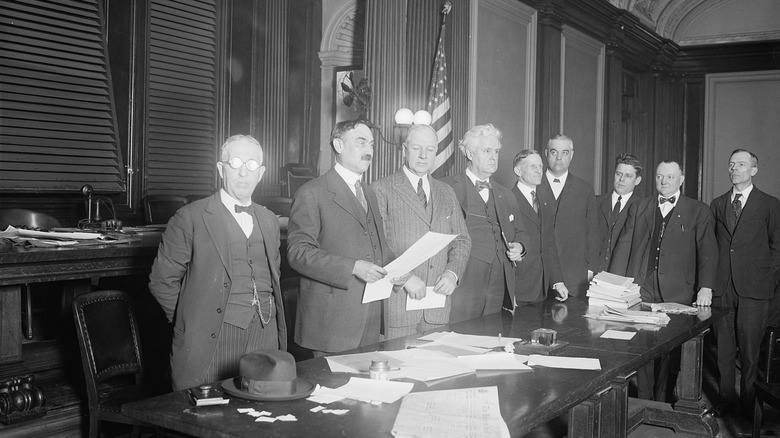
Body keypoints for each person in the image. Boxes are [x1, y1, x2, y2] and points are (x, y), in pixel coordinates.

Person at [148, 134, 286, 391]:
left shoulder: (269, 220)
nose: (243, 172)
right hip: (213, 338)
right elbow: (161, 281)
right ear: (221, 169)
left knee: (260, 420)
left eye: (252, 165)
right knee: (206, 420)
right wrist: (191, 321)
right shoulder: (189, 217)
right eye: (235, 163)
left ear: (262, 173)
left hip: (264, 335)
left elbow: (272, 274)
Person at [287, 119, 403, 354]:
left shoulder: (368, 191)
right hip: (331, 323)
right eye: (361, 143)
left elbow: (378, 245)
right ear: (338, 145)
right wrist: (353, 267)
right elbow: (298, 253)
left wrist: (398, 269)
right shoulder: (312, 192)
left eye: (371, 144)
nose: (369, 151)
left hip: (369, 317)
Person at [612, 160, 718, 401]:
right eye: (660, 176)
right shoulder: (640, 206)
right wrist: (616, 287)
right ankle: (645, 399)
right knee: (642, 344)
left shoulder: (698, 210)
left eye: (670, 177)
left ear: (681, 180)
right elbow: (623, 246)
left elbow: (708, 251)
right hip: (643, 287)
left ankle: (662, 400)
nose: (664, 182)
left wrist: (706, 287)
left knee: (671, 351)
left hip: (678, 290)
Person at [373, 125, 471, 339]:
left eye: (430, 149)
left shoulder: (447, 192)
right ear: (404, 149)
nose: (423, 155)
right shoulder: (381, 189)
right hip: (397, 307)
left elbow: (462, 240)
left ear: (437, 152)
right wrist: (405, 278)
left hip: (437, 306)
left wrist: (452, 273)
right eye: (417, 148)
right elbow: (376, 245)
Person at [710, 149, 780, 417]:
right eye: (731, 164)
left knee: (750, 355)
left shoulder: (769, 204)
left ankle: (749, 408)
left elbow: (778, 245)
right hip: (723, 288)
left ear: (754, 170)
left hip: (755, 289)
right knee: (724, 352)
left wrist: (768, 277)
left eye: (741, 164)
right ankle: (726, 402)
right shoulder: (718, 204)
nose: (734, 168)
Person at [441, 123, 528, 322]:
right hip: (465, 280)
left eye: (496, 151)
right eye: (487, 151)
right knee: (459, 339)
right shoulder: (446, 188)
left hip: (500, 283)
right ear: (470, 153)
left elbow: (521, 232)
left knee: (492, 340)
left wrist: (521, 246)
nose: (493, 156)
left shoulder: (506, 194)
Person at [536, 134, 599, 297]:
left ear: (571, 155)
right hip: (537, 277)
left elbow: (593, 234)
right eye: (553, 152)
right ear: (546, 153)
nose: (559, 157)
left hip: (574, 278)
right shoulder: (532, 186)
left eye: (564, 152)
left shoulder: (585, 190)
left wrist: (590, 272)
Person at [510, 149, 568, 304]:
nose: (538, 170)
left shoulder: (545, 200)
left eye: (540, 166)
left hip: (544, 289)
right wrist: (508, 292)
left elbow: (549, 244)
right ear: (518, 170)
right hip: (519, 288)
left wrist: (558, 281)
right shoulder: (507, 200)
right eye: (532, 166)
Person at [593, 153, 643, 274]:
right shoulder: (595, 202)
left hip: (622, 278)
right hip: (592, 276)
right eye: (618, 174)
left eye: (628, 176)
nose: (621, 179)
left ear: (637, 180)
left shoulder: (643, 208)